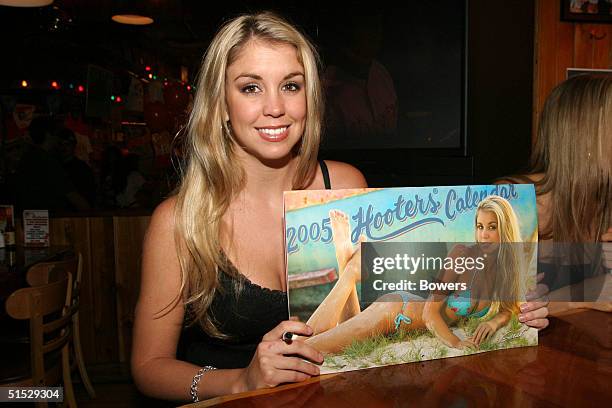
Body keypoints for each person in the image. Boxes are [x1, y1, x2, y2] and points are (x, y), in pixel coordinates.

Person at [131, 12, 548, 402]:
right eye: (251, 87)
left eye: (291, 85)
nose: (275, 106)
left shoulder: (345, 185)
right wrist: (241, 380)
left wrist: (513, 307)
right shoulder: (179, 222)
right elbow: (149, 368)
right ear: (221, 104)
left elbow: (379, 303)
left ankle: (348, 265)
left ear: (309, 98)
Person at [304, 195, 530, 353]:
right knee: (307, 346)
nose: (484, 235)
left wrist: (494, 323)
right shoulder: (462, 254)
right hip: (395, 312)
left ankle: (348, 263)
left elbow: (511, 308)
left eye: (492, 227)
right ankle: (352, 270)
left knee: (344, 334)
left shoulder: (505, 270)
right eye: (480, 227)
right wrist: (455, 342)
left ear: (506, 229)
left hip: (399, 320)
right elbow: (431, 313)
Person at [496, 74, 612, 315]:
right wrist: (585, 296)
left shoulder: (605, 199)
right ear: (585, 138)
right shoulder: (513, 201)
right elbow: (489, 311)